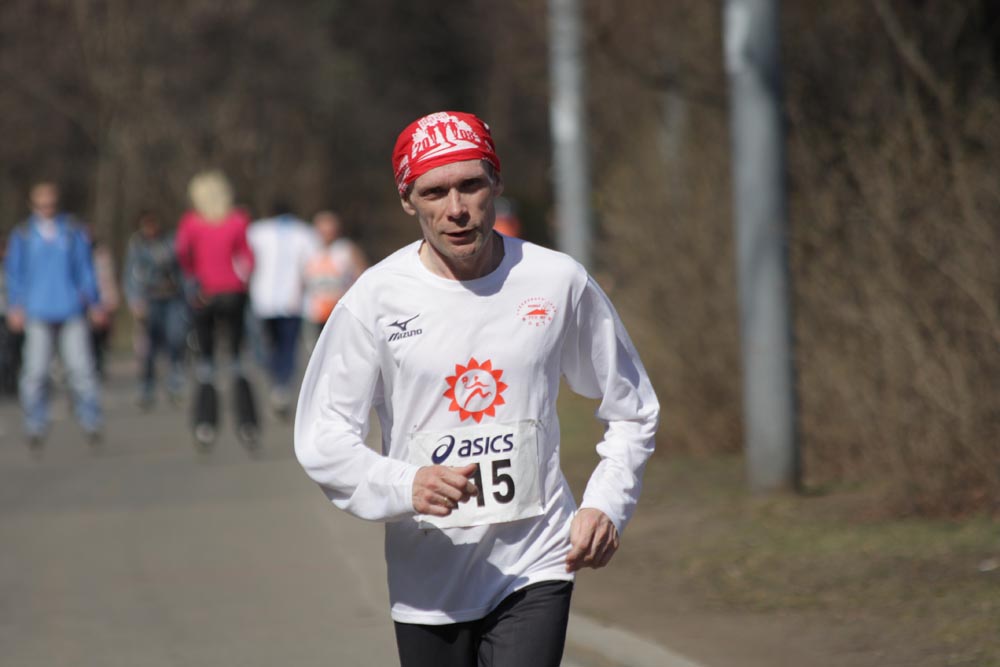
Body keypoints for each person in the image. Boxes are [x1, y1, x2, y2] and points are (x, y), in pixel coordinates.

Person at [294, 111, 659, 667]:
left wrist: (606, 503)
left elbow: (632, 409)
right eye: (434, 192)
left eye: (471, 185)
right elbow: (322, 436)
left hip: (536, 560)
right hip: (429, 578)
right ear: (407, 200)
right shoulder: (374, 299)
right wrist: (406, 483)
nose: (456, 208)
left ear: (497, 183)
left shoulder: (556, 281)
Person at [4, 182, 106, 447]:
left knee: (81, 370)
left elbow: (85, 269)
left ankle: (91, 419)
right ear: (33, 206)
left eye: (51, 204)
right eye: (42, 205)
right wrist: (15, 306)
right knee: (35, 372)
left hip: (70, 309)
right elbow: (15, 274)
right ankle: (35, 424)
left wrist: (95, 303)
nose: (47, 209)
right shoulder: (23, 235)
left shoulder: (71, 231)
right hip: (37, 311)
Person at [176, 170, 259, 449]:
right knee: (236, 359)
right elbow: (248, 257)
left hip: (205, 294)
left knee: (206, 362)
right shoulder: (237, 220)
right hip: (233, 293)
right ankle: (247, 423)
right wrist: (242, 281)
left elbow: (183, 255)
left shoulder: (191, 223)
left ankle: (205, 424)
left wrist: (195, 281)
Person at [247, 201, 317, 418]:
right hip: (283, 301)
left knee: (276, 345)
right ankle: (280, 383)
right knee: (284, 346)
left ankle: (279, 383)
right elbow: (312, 266)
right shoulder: (303, 233)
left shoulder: (257, 232)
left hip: (273, 301)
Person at [123, 210, 188, 408]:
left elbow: (182, 268)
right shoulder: (137, 246)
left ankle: (175, 383)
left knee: (176, 338)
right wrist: (135, 301)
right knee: (148, 348)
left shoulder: (170, 241)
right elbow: (131, 276)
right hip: (150, 299)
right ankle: (147, 387)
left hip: (172, 298)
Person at [302, 209, 366, 345]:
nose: (326, 234)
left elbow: (362, 276)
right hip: (315, 313)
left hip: (339, 311)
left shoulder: (346, 249)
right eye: (322, 230)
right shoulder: (309, 251)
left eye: (329, 230)